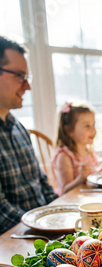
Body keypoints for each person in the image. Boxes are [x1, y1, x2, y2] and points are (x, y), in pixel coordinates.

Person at [0, 36, 58, 234]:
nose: (28, 86)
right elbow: (2, 211)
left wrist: (60, 213)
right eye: (19, 76)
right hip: (17, 238)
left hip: (43, 230)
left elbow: (42, 182)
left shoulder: (18, 127)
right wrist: (45, 228)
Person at [52, 101, 102, 195]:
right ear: (69, 130)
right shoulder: (64, 157)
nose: (93, 130)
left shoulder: (88, 151)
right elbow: (65, 191)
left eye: (93, 125)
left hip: (87, 197)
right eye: (87, 126)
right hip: (72, 202)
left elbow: (91, 177)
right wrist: (80, 178)